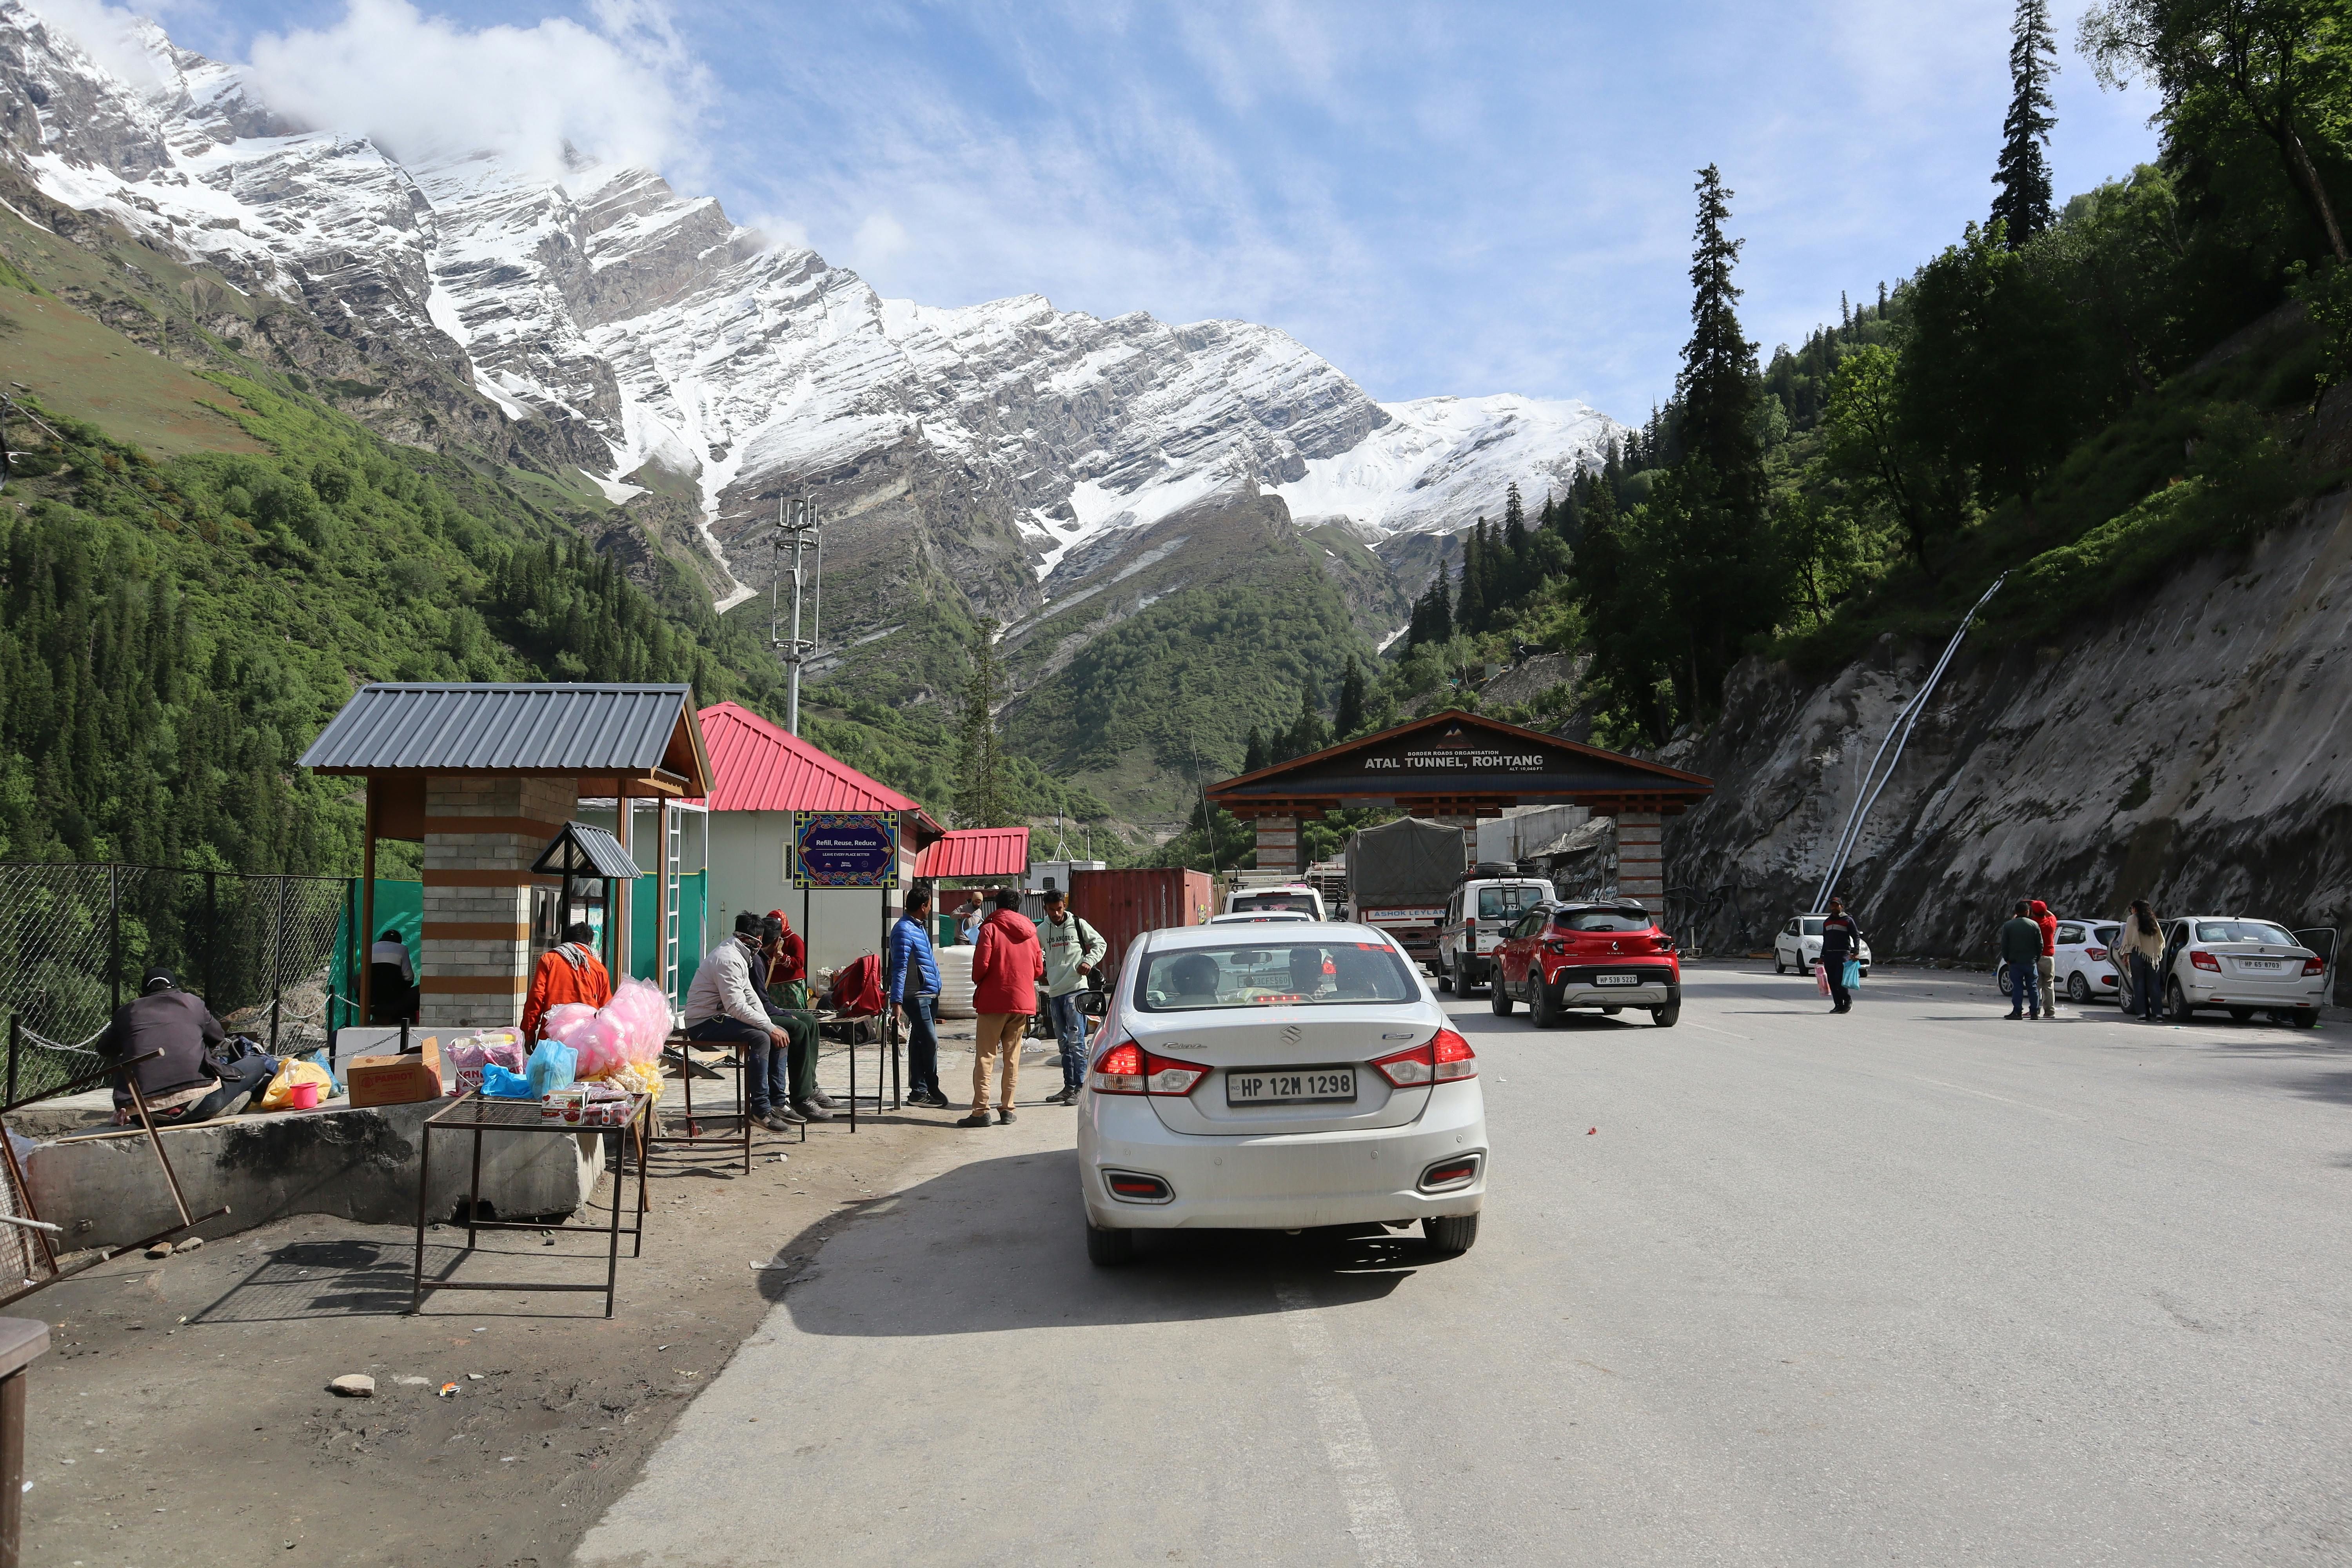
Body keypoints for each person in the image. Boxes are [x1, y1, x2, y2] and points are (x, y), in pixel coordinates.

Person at [97, 967, 274, 1126]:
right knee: (256, 1064)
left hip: (144, 1116)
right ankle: (235, 1100)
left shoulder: (127, 1012)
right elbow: (218, 1037)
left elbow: (105, 1049)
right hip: (201, 1103)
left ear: (143, 994)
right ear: (175, 988)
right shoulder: (191, 1002)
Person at [682, 911, 802, 1131]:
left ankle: (777, 1101)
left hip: (719, 1016)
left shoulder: (740, 954)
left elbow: (750, 996)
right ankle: (760, 1110)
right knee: (761, 1038)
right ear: (754, 940)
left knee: (777, 1033)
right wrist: (768, 1028)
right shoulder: (728, 959)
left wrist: (772, 1025)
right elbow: (736, 1006)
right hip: (702, 1023)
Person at [961, 887, 1042, 1127]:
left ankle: (980, 1111)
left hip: (994, 1002)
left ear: (997, 906)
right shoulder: (1031, 932)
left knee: (986, 1056)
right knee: (1012, 1058)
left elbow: (979, 970)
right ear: (1019, 906)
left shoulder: (990, 929)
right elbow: (1038, 970)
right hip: (1021, 1003)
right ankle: (1008, 1109)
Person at [757, 915, 833, 1121]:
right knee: (798, 1028)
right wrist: (781, 1015)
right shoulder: (756, 959)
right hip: (757, 1012)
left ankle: (810, 1085)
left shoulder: (793, 941)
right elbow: (757, 1001)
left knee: (810, 1022)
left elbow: (798, 963)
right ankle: (800, 1097)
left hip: (775, 1000)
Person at [1038, 887, 1106, 1106]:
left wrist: (1089, 961)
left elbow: (1100, 943)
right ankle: (1069, 1087)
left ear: (1064, 905)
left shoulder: (1078, 924)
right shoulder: (1041, 931)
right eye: (1051, 910)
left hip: (1077, 990)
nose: (1056, 914)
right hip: (1055, 992)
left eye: (1059, 909)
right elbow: (1036, 954)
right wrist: (1041, 968)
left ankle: (1082, 1088)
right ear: (1046, 909)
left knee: (1077, 1042)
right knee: (1063, 1043)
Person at [887, 882, 950, 1107]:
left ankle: (918, 1092)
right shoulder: (904, 930)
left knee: (920, 1041)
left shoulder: (919, 926)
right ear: (923, 906)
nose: (931, 909)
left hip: (929, 994)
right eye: (930, 905)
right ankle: (930, 1087)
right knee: (930, 1041)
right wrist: (896, 1002)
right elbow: (899, 967)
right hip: (917, 996)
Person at [521, 920, 611, 1043]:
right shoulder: (599, 969)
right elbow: (605, 1010)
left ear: (566, 941)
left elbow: (536, 998)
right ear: (589, 943)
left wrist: (529, 1033)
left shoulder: (549, 960)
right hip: (586, 1040)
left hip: (552, 1036)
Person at [2120, 899, 2165, 1022]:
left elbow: (2129, 939)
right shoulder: (2153, 920)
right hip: (2152, 956)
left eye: (2132, 908)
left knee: (2139, 984)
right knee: (2154, 985)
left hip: (2137, 954)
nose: (2131, 910)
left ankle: (2143, 1014)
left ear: (2135, 908)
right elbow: (2160, 938)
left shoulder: (2132, 919)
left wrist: (2126, 956)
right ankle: (2159, 1015)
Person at [2000, 901, 2045, 1020]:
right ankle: (2034, 1012)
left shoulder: (2009, 925)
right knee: (2033, 987)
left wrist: (2007, 959)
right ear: (2027, 912)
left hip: (2015, 962)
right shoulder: (2034, 925)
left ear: (2016, 912)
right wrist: (2036, 959)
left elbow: (2004, 945)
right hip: (2031, 962)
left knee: (2018, 987)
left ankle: (2017, 1012)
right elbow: (2040, 945)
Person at [1819, 897, 1863, 1014]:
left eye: (1836, 905)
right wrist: (1822, 956)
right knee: (1832, 981)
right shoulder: (1827, 922)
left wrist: (1856, 952)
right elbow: (1826, 940)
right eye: (1832, 905)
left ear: (1841, 906)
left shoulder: (1848, 920)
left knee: (1840, 979)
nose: (1834, 907)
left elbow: (1856, 936)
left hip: (1842, 954)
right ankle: (1838, 1005)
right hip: (1829, 955)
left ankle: (1847, 1001)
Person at [369, 927, 418, 1024]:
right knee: (422, 990)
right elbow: (409, 977)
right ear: (398, 942)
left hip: (373, 998)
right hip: (395, 998)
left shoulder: (371, 948)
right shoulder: (402, 949)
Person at [763, 908, 808, 1006]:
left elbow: (800, 963)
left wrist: (783, 957)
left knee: (797, 1013)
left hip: (792, 986)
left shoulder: (794, 939)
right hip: (774, 987)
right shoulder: (768, 941)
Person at [2030, 898, 2060, 1019]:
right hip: (2049, 958)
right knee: (2049, 985)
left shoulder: (2032, 924)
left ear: (2033, 912)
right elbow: (2052, 915)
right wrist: (2044, 908)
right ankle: (2050, 1012)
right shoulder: (2051, 922)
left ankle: (2035, 1010)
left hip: (2036, 958)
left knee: (2037, 985)